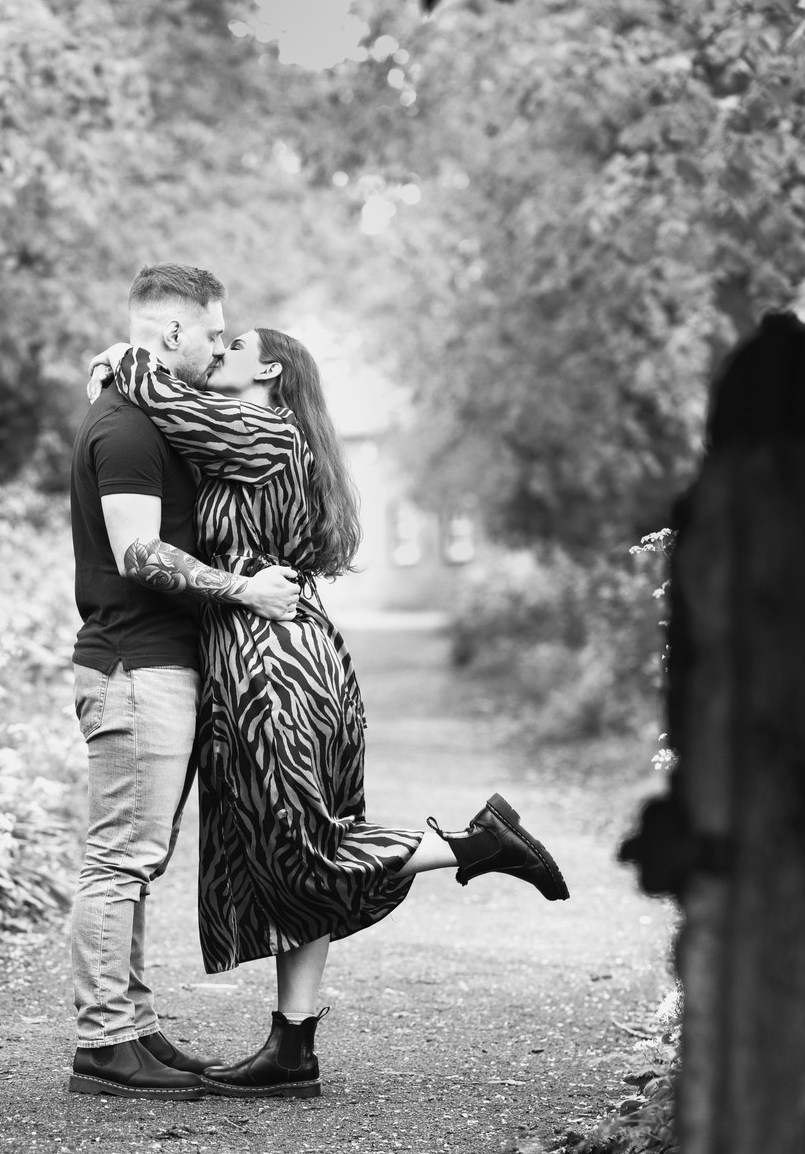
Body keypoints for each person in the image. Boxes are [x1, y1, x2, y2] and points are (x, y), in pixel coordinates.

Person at [85, 326, 570, 1099]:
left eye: (231, 345)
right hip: (297, 657)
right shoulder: (280, 439)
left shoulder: (260, 431)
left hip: (267, 667)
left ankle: (472, 845)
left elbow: (157, 391)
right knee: (301, 844)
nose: (214, 354)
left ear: (268, 371)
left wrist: (123, 359)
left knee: (299, 847)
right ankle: (291, 1048)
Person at [67, 265, 301, 1098]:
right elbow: (137, 552)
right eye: (211, 334)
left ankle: (130, 1027)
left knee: (137, 857)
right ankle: (102, 1044)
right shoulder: (125, 428)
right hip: (133, 664)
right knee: (118, 860)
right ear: (170, 333)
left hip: (155, 663)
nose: (216, 347)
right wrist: (244, 589)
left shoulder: (146, 408)